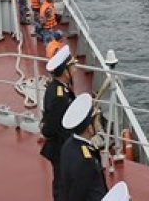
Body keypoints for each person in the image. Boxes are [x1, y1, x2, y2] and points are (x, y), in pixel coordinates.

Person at [40, 46, 77, 201]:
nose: (75, 69)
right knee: (62, 186)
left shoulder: (57, 88)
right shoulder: (60, 97)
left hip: (63, 146)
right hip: (61, 148)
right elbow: (50, 129)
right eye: (72, 66)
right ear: (65, 71)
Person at [60, 93, 108, 201]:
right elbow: (79, 193)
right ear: (89, 128)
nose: (98, 125)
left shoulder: (68, 145)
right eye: (96, 121)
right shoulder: (86, 160)